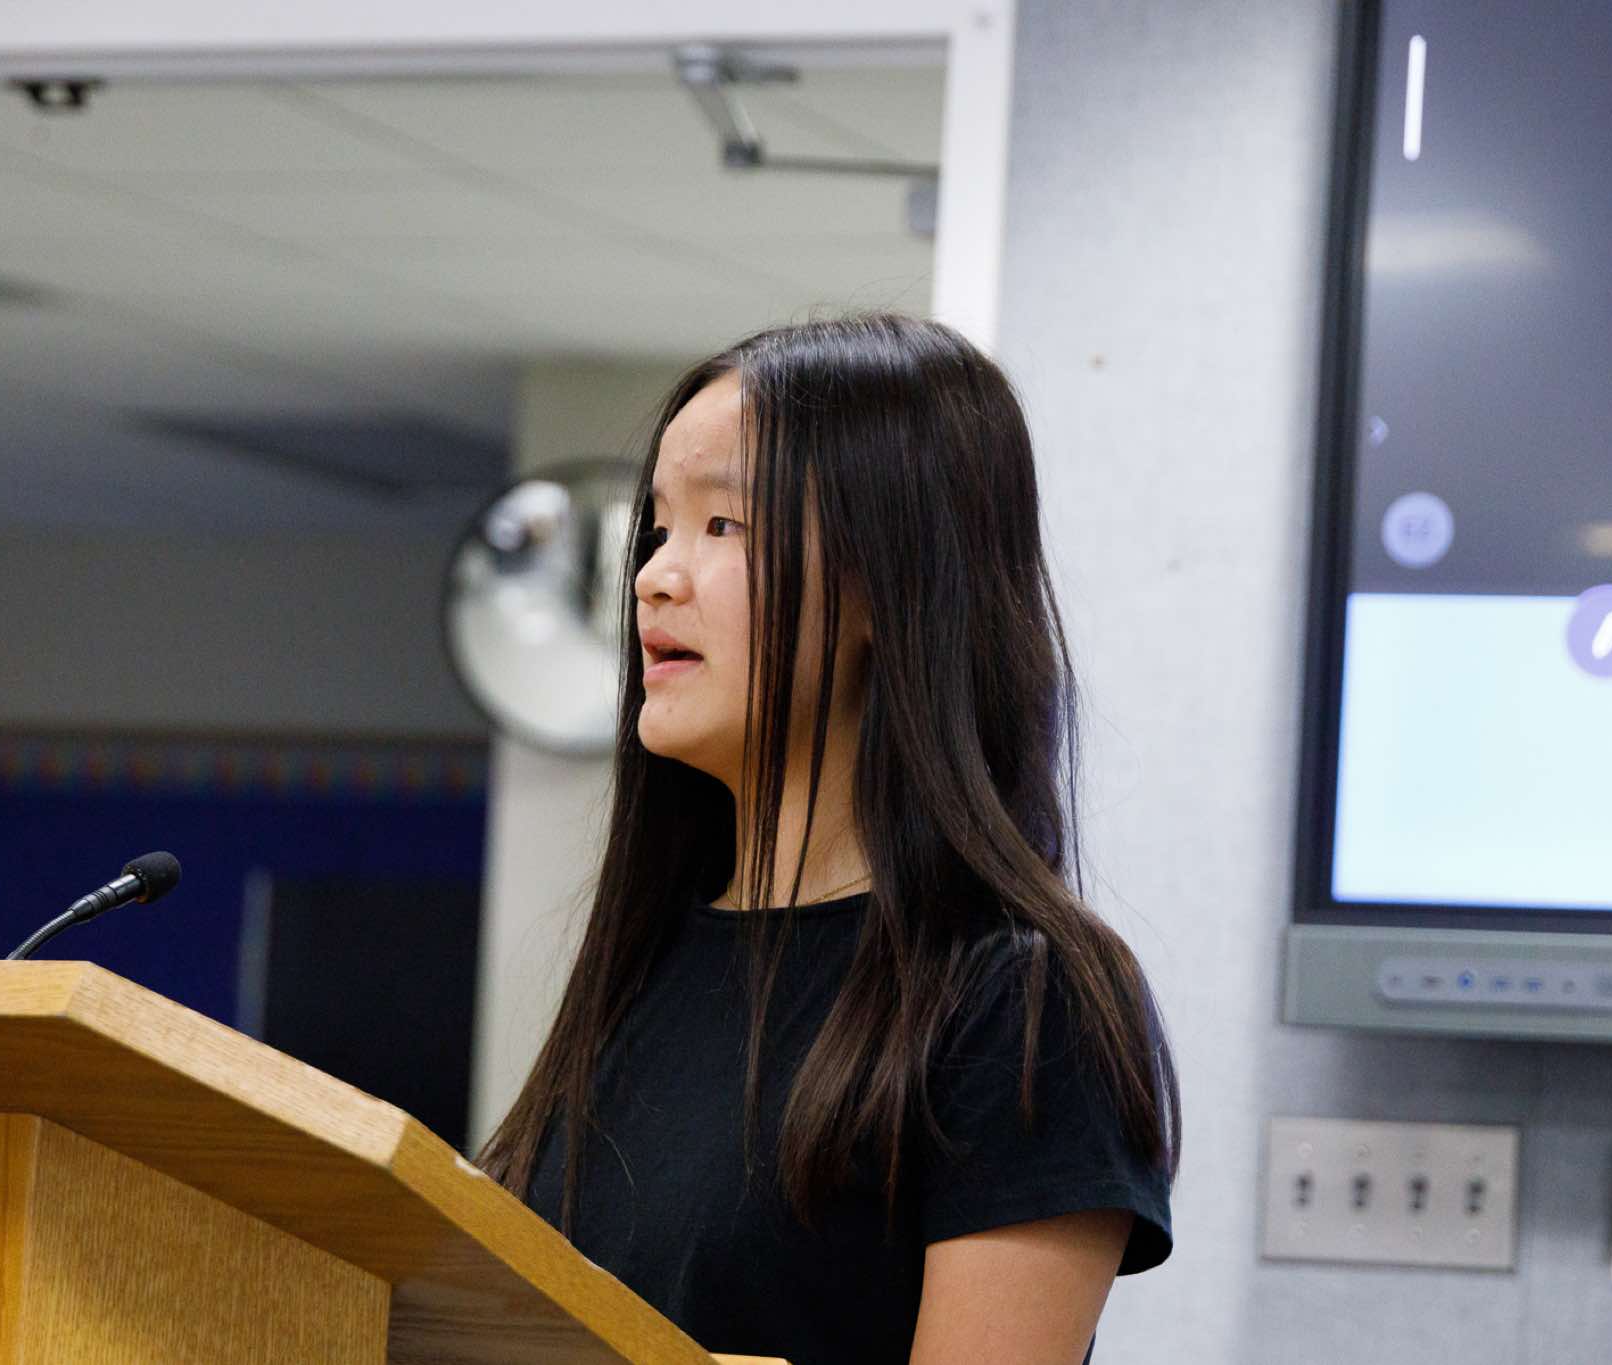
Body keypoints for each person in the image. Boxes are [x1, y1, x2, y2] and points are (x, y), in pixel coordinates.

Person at [475, 313, 1179, 1364]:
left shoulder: (1022, 1004)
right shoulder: (649, 955)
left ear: (888, 583)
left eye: (724, 526)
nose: (655, 576)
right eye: (659, 527)